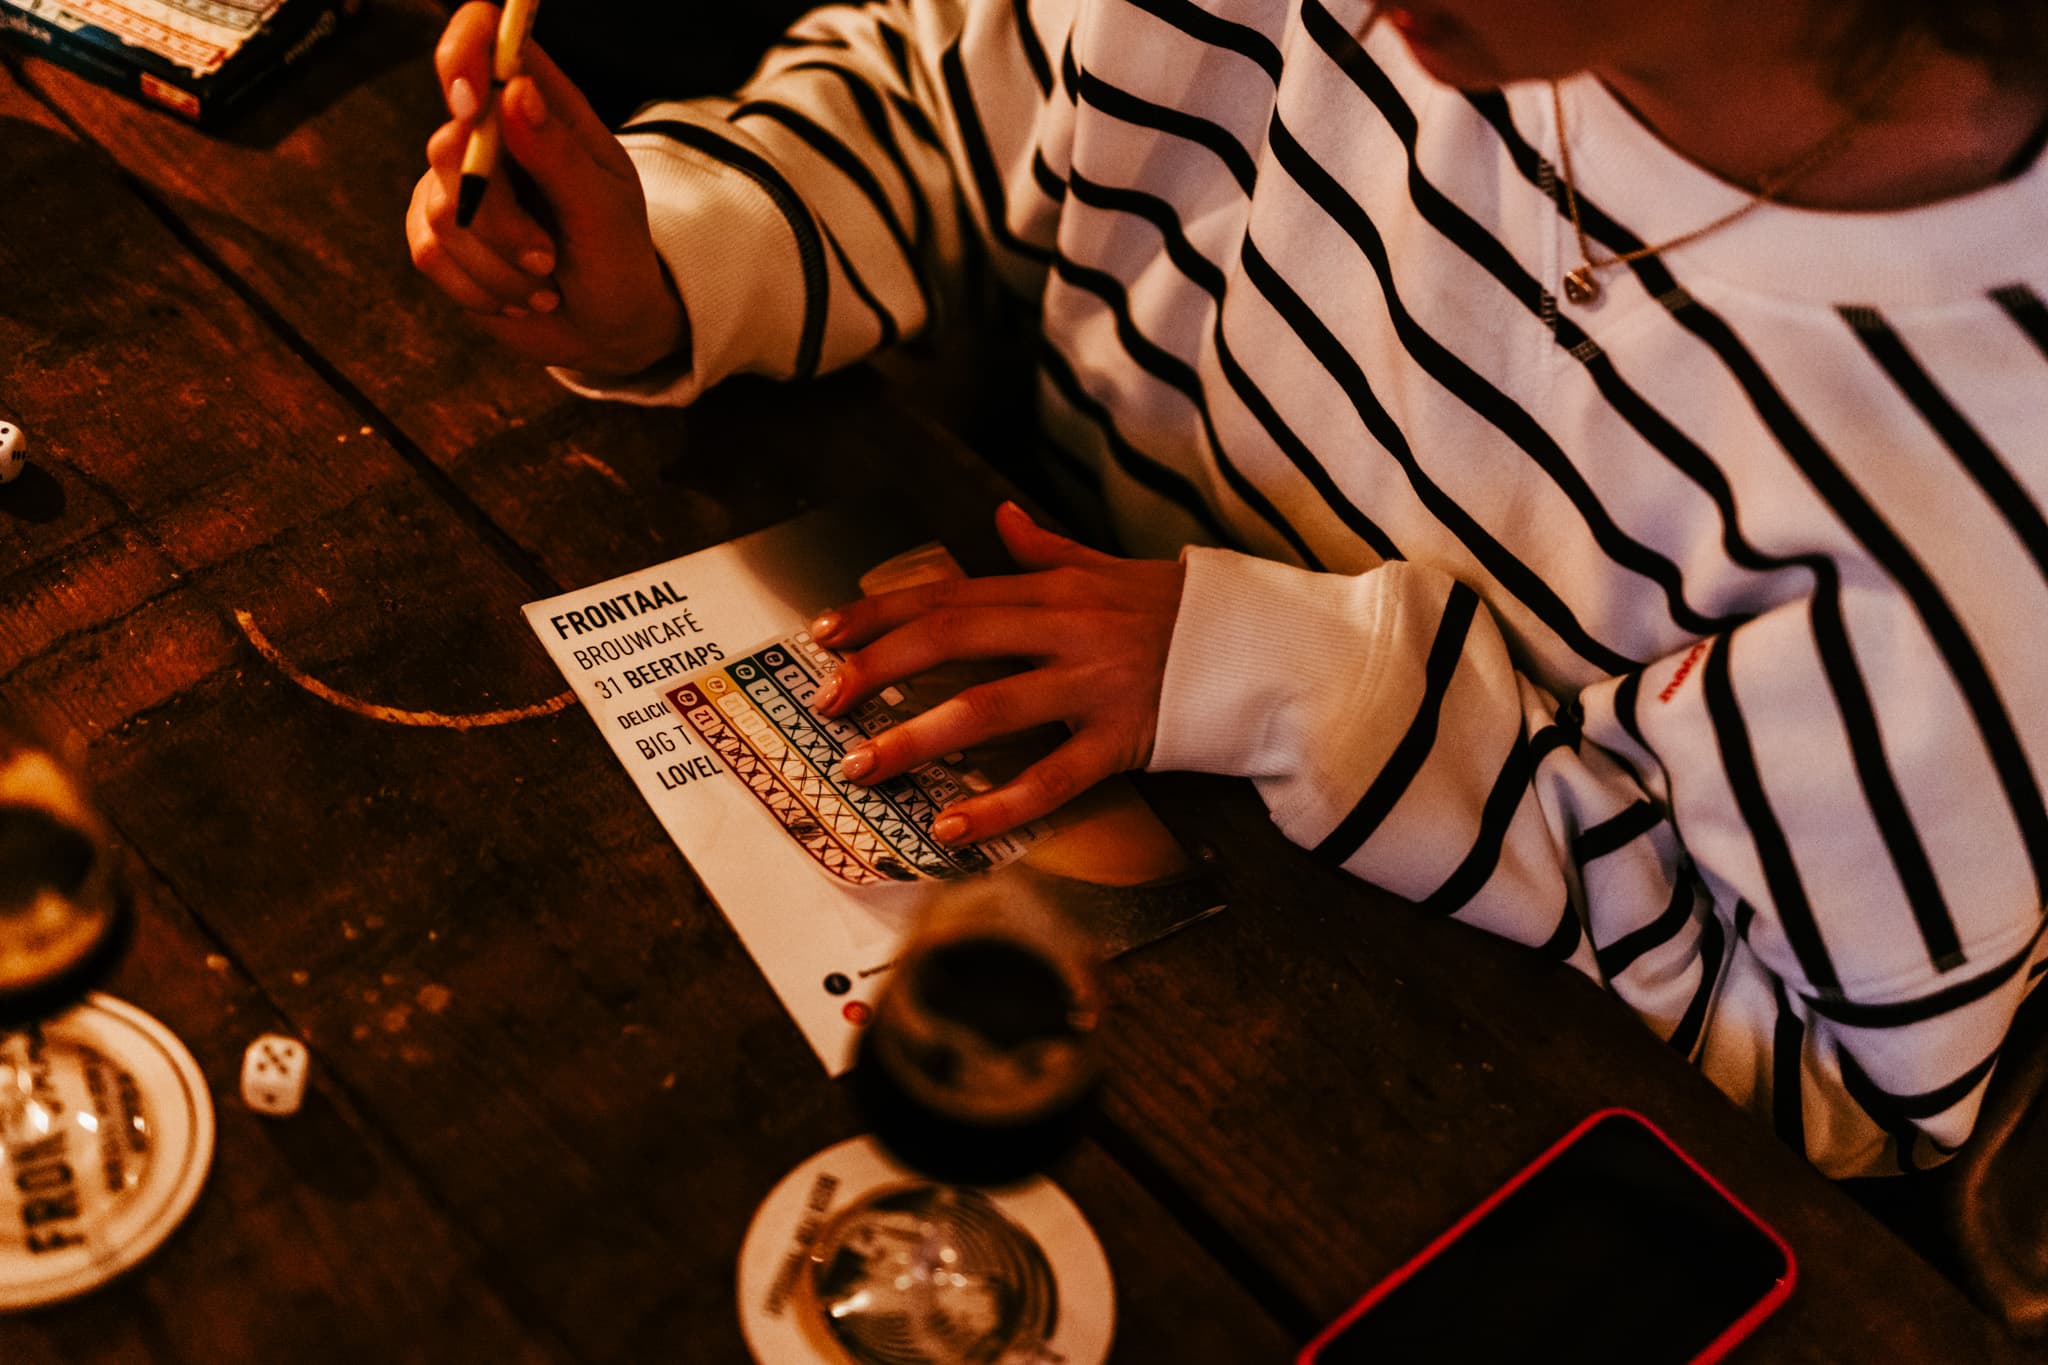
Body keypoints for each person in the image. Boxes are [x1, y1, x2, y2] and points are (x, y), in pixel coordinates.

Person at [407, 0, 2048, 1179]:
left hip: (1393, 1113)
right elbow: (944, 90)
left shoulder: (1985, 485)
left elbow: (1846, 1090)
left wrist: (1312, 682)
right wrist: (685, 262)